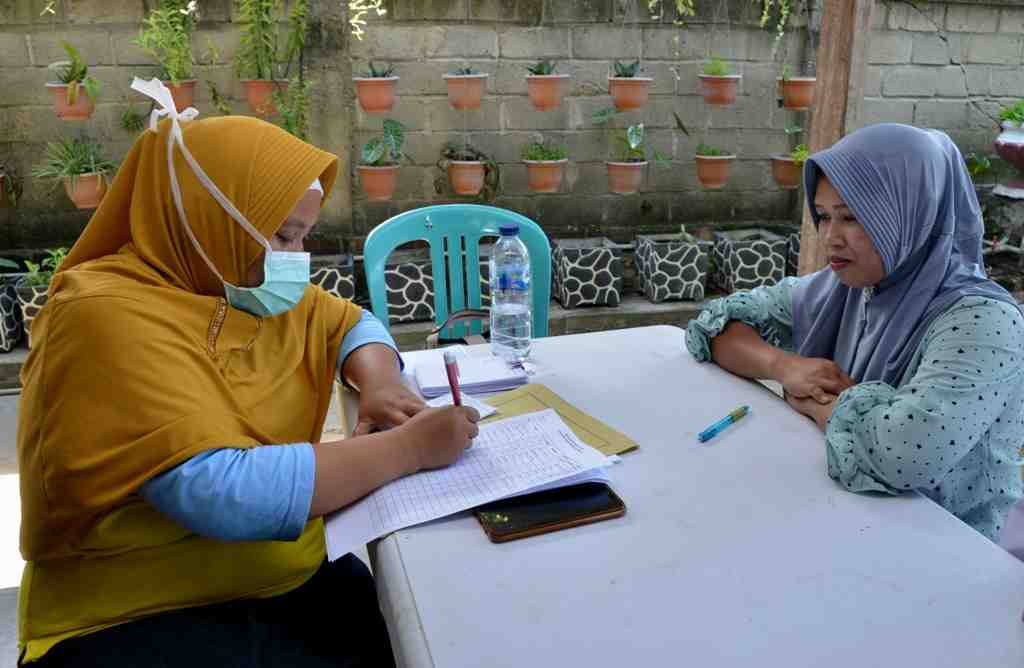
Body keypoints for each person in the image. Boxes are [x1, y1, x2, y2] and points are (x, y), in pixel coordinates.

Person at [16, 79, 479, 666]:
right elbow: (218, 490)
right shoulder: (99, 316)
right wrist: (408, 450)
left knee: (385, 618)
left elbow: (351, 324)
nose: (295, 255)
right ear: (207, 220)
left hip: (266, 574)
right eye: (284, 234)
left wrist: (382, 381)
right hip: (133, 609)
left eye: (304, 234)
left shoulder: (233, 281)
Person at [686, 123, 1024, 543]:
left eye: (853, 217)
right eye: (824, 216)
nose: (830, 237)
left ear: (910, 213)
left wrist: (814, 405)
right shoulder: (848, 289)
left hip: (943, 548)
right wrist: (784, 366)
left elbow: (903, 455)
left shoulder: (985, 324)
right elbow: (713, 327)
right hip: (848, 520)